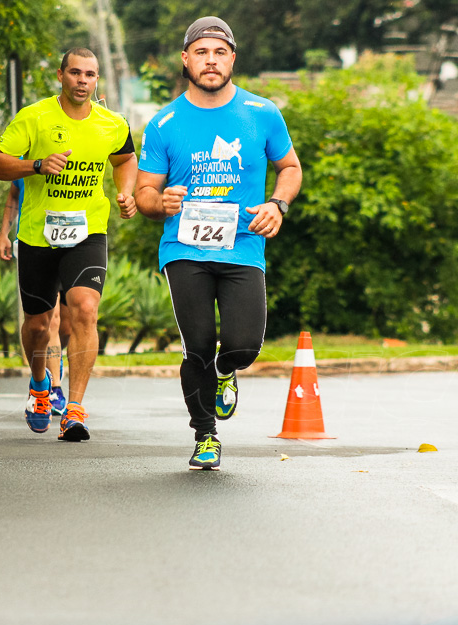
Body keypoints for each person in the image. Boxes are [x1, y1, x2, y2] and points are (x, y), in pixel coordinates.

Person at [136, 17, 302, 470]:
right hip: (184, 249)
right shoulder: (164, 122)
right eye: (202, 52)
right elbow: (144, 194)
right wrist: (160, 200)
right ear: (186, 59)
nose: (211, 61)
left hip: (243, 245)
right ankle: (205, 433)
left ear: (233, 59)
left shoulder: (262, 113)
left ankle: (227, 372)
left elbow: (290, 168)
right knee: (198, 344)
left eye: (220, 52)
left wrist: (278, 205)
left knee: (243, 345)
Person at [0, 47, 137, 441]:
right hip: (38, 235)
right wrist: (36, 165)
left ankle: (75, 409)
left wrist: (126, 193)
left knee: (85, 309)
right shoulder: (34, 118)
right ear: (61, 75)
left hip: (88, 232)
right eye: (75, 73)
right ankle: (39, 388)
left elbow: (125, 159)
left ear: (97, 79)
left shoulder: (112, 123)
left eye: (90, 74)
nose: (83, 81)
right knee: (38, 325)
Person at [0, 180, 69, 415]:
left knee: (66, 326)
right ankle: (53, 389)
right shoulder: (24, 158)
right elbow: (13, 195)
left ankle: (52, 364)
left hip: (69, 240)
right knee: (49, 320)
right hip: (32, 242)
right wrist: (4, 233)